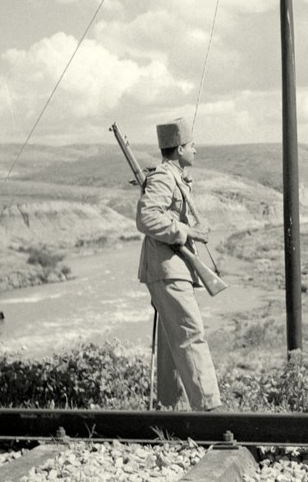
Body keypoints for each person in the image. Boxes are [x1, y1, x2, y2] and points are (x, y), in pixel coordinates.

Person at [136, 118, 222, 411]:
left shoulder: (175, 177)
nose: (196, 150)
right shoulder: (163, 177)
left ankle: (170, 407)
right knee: (190, 333)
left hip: (173, 268)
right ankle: (209, 408)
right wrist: (186, 231)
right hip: (168, 268)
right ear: (180, 148)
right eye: (192, 145)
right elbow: (146, 218)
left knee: (174, 343)